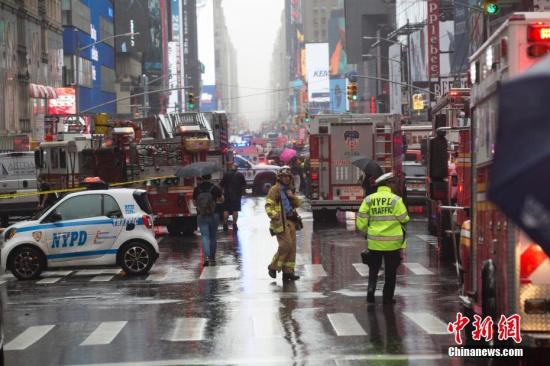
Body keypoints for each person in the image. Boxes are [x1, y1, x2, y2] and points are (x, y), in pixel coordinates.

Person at [356, 172, 410, 304]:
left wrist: (367, 232)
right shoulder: (396, 200)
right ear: (388, 184)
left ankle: (371, 290)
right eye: (392, 182)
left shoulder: (369, 199)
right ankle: (387, 297)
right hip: (393, 244)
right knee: (390, 272)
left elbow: (361, 222)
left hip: (374, 242)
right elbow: (404, 218)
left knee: (373, 268)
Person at [265, 166, 302, 281]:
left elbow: (297, 204)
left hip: (291, 221)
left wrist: (292, 196)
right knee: (285, 245)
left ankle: (288, 273)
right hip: (281, 222)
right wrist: (275, 216)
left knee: (292, 247)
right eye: (284, 176)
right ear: (279, 177)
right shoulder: (274, 190)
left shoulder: (290, 189)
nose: (286, 179)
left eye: (288, 177)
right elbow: (268, 206)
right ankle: (273, 267)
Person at [193, 175, 223, 266]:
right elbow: (222, 200)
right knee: (213, 236)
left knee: (205, 236)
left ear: (201, 178)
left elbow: (194, 203)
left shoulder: (197, 189)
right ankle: (212, 258)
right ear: (210, 177)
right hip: (214, 215)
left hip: (201, 215)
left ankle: (206, 258)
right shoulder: (215, 188)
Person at [220, 162, 247, 231]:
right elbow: (244, 185)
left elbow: (221, 185)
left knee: (225, 210)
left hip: (227, 194)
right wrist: (242, 192)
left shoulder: (226, 174)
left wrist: (221, 194)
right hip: (237, 195)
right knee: (235, 210)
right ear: (237, 168)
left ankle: (225, 225)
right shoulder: (240, 175)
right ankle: (234, 225)